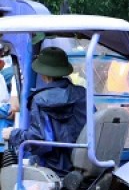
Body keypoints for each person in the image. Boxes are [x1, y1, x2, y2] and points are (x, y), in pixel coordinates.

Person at [4, 47, 87, 177]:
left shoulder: (39, 99)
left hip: (51, 168)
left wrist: (13, 134)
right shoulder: (82, 94)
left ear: (42, 74)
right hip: (82, 165)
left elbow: (38, 141)